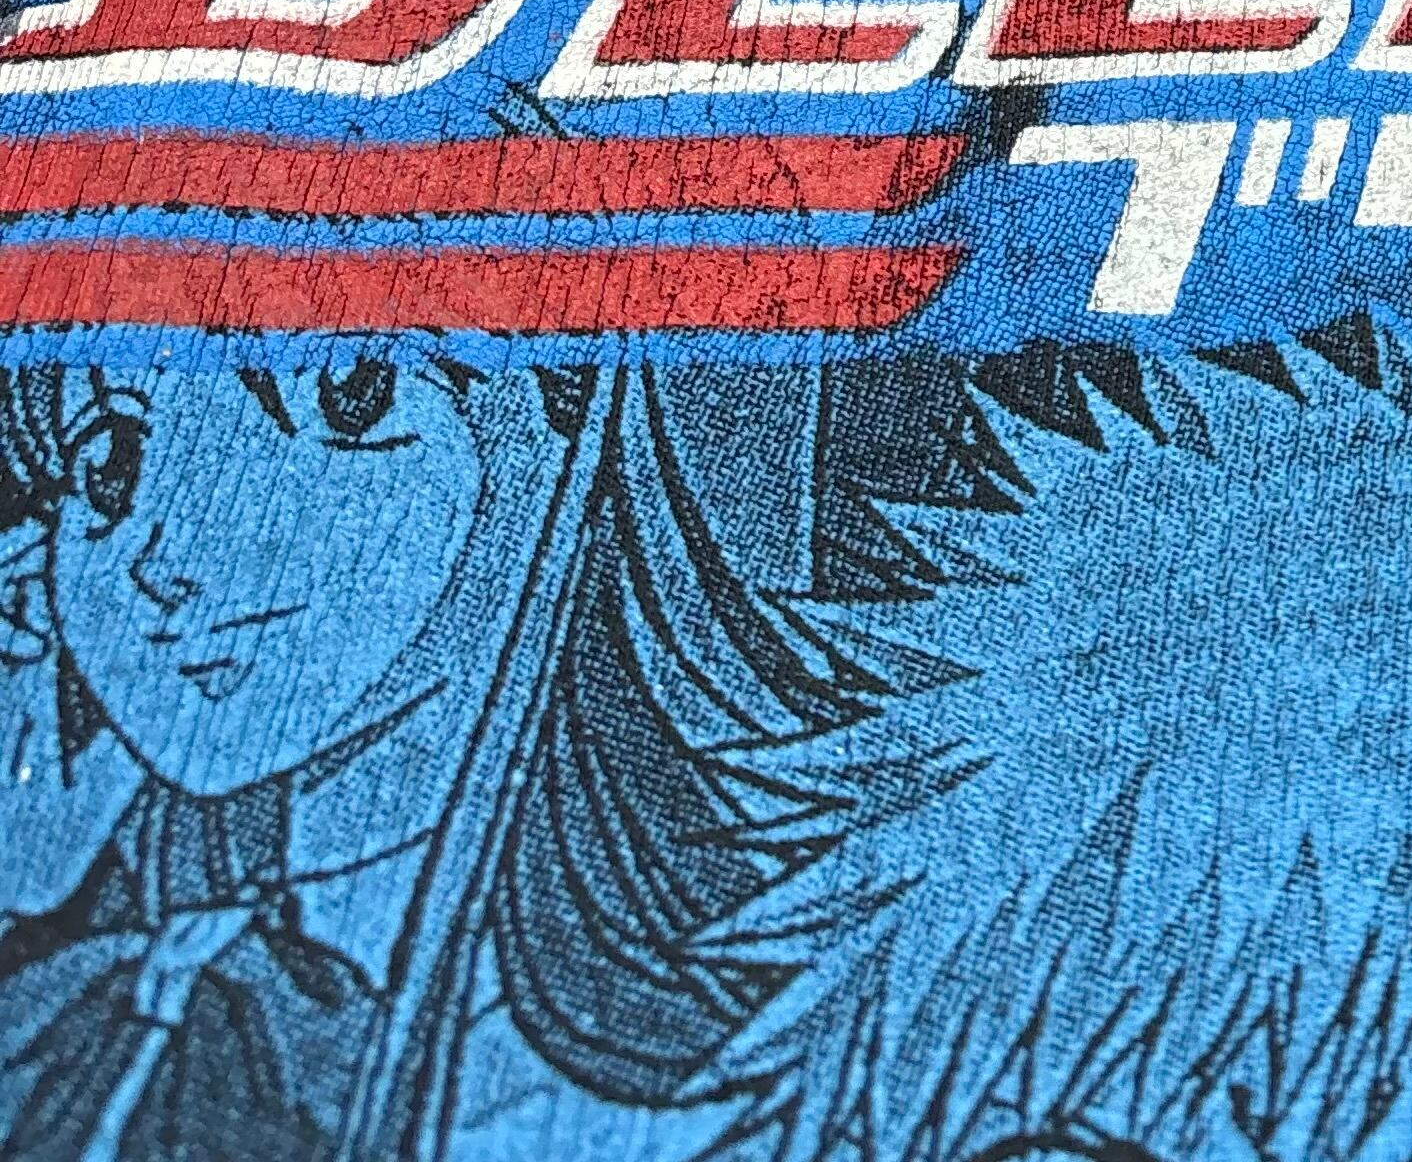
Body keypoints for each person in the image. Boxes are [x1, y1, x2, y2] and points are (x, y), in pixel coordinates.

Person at [0, 357, 834, 1162]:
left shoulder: (687, 1013)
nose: (159, 564)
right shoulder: (125, 947)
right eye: (110, 466)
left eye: (346, 395)